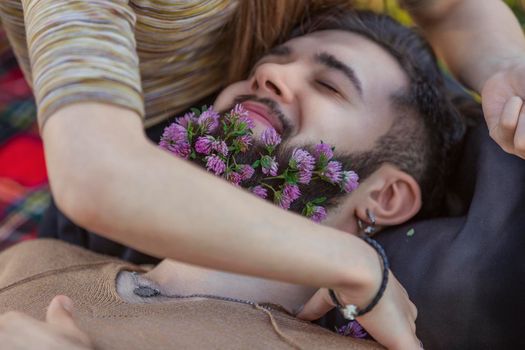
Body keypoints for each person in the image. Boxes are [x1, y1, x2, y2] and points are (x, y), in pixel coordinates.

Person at [0, 10, 468, 349]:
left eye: (329, 84)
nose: (269, 73)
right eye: (265, 63)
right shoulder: (29, 259)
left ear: (384, 196)